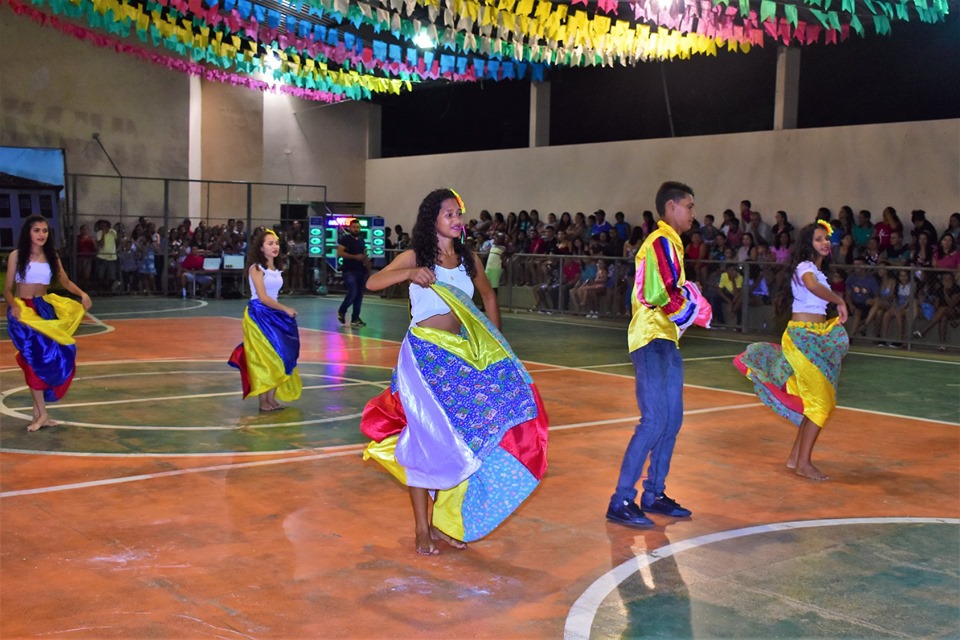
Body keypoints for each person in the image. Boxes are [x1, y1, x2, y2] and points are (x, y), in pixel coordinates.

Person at [360, 188, 548, 555]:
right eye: (449, 214)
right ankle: (421, 528)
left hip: (459, 357)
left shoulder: (468, 259)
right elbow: (372, 282)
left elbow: (489, 297)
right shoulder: (416, 256)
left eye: (459, 214)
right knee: (424, 438)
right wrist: (409, 273)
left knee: (466, 437)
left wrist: (494, 344)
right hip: (423, 357)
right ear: (432, 219)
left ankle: (446, 521)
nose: (457, 219)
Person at [607, 181, 712, 528]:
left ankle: (654, 493)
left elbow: (669, 291)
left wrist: (689, 306)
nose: (694, 214)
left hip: (665, 339)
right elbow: (659, 292)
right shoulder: (662, 241)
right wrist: (693, 309)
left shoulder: (673, 244)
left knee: (671, 420)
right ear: (671, 207)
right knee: (654, 420)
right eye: (690, 206)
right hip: (651, 338)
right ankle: (622, 498)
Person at [734, 221, 850, 481]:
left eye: (826, 239)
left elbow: (818, 288)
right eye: (818, 239)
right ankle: (804, 464)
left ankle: (796, 458)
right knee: (821, 404)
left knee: (815, 402)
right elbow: (811, 286)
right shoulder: (805, 268)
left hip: (816, 337)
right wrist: (839, 299)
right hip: (802, 339)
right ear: (808, 244)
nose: (824, 243)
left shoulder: (820, 272)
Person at [4, 216, 92, 432]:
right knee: (34, 359)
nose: (42, 234)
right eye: (37, 230)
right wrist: (13, 305)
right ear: (28, 233)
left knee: (50, 357)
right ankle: (42, 413)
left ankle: (39, 413)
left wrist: (82, 294)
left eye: (45, 230)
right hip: (24, 312)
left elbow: (65, 282)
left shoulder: (52, 256)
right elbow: (7, 289)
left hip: (44, 310)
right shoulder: (17, 256)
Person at [228, 229, 301, 412]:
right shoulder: (257, 268)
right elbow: (262, 297)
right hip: (259, 316)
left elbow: (273, 297)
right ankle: (263, 401)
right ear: (261, 248)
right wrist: (285, 309)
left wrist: (281, 311)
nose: (275, 246)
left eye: (276, 243)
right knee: (265, 357)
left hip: (274, 314)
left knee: (281, 355)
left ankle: (272, 399)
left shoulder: (276, 269)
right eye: (270, 243)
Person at [337, 219, 370, 327]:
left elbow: (364, 254)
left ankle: (355, 318)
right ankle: (342, 310)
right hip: (349, 270)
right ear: (350, 228)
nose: (356, 229)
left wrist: (368, 268)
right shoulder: (345, 239)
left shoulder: (361, 240)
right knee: (353, 292)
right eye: (354, 227)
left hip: (361, 270)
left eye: (358, 227)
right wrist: (355, 257)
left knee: (359, 295)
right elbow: (340, 252)